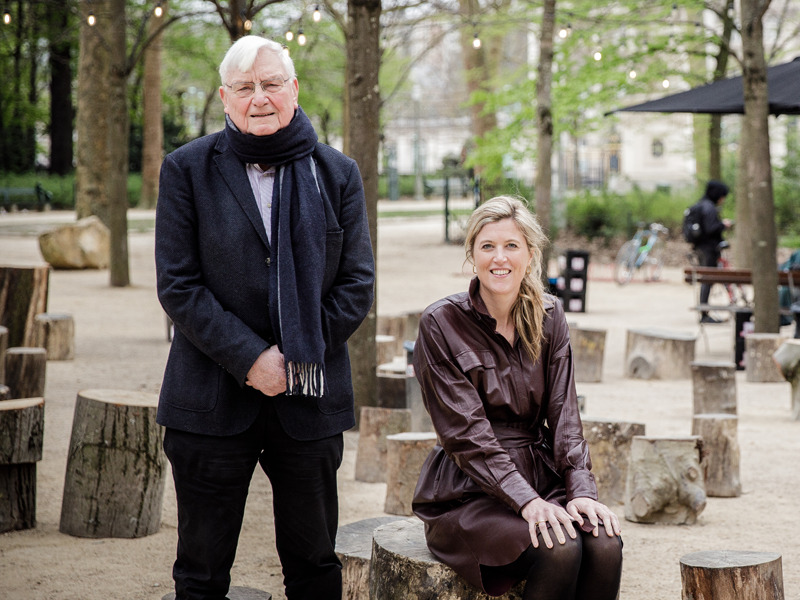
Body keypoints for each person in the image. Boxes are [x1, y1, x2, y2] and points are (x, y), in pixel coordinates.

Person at [154, 35, 375, 600]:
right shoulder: (186, 170)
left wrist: (297, 359)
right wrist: (253, 360)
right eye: (246, 87)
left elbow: (356, 285)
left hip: (308, 403)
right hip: (210, 400)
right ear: (225, 98)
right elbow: (179, 286)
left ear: (294, 90)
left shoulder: (339, 174)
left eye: (272, 84)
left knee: (314, 566)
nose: (260, 98)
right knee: (201, 573)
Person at [411, 196, 622, 599]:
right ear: (472, 255)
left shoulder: (550, 315)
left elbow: (565, 414)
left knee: (604, 543)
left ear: (530, 254)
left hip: (540, 474)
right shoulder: (441, 322)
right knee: (559, 548)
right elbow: (465, 434)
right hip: (468, 488)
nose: (499, 258)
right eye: (487, 246)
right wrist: (526, 502)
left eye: (511, 246)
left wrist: (580, 492)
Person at [691, 180, 732, 324]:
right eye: (722, 196)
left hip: (701, 248)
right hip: (708, 249)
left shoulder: (701, 204)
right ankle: (704, 314)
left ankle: (704, 312)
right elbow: (711, 228)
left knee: (707, 279)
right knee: (708, 279)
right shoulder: (709, 208)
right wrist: (723, 225)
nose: (723, 200)